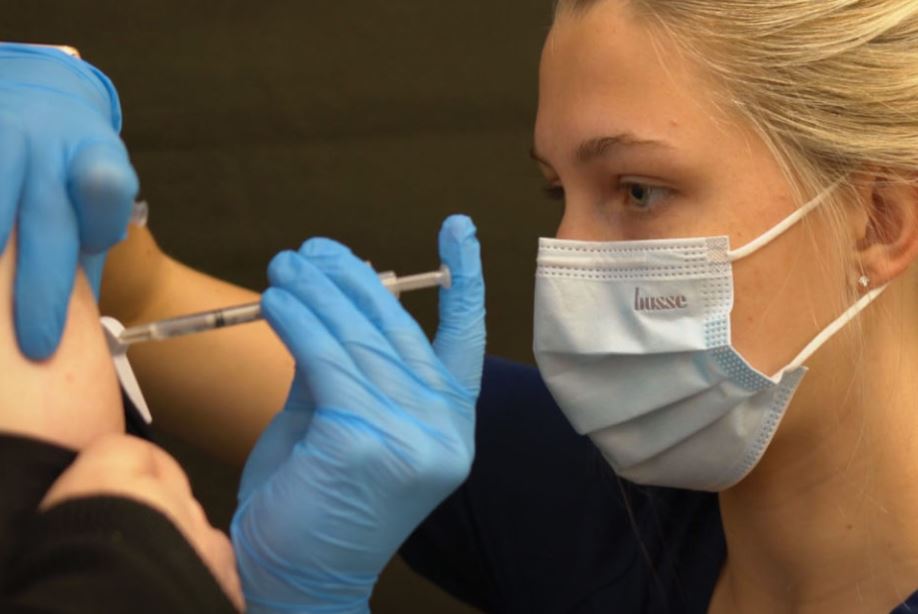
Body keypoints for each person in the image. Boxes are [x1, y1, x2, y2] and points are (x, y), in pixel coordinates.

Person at [7, 0, 918, 612]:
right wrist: (55, 145)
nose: (568, 260)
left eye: (637, 191)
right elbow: (136, 295)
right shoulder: (593, 501)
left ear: (877, 220)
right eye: (556, 192)